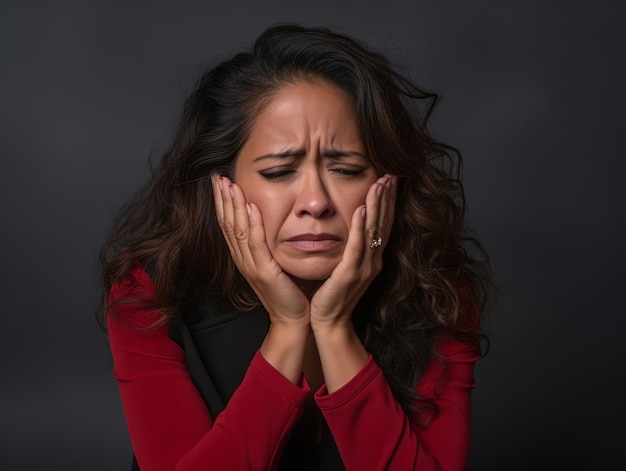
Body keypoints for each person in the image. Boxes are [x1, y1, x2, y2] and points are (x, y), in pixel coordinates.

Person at [100, 24, 490, 471]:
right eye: (279, 172)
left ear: (387, 183)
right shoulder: (148, 292)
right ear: (220, 184)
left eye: (345, 169)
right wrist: (287, 328)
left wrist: (334, 327)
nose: (316, 202)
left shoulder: (438, 288)